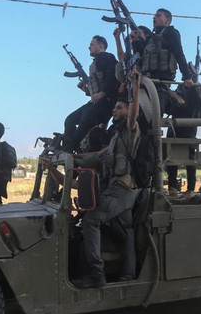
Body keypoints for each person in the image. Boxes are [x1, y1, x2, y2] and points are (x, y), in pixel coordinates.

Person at [46, 71, 142, 288]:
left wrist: (135, 88)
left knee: (91, 220)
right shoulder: (116, 138)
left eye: (119, 108)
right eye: (114, 107)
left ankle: (96, 274)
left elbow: (134, 114)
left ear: (128, 111)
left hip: (122, 189)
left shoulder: (130, 131)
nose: (114, 110)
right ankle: (128, 273)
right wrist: (68, 157)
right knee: (126, 230)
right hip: (118, 189)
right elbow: (96, 156)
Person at [62, 35, 119, 152]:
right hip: (96, 103)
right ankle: (71, 148)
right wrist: (86, 90)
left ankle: (69, 148)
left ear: (101, 46)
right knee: (70, 120)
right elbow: (96, 90)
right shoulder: (94, 64)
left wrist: (103, 93)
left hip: (107, 103)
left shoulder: (107, 58)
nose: (89, 47)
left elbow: (112, 78)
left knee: (86, 118)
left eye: (92, 44)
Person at [140, 8, 194, 116]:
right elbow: (143, 56)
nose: (154, 18)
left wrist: (187, 76)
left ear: (167, 20)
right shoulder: (150, 38)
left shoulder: (171, 33)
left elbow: (179, 53)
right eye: (154, 16)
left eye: (158, 16)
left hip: (162, 82)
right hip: (147, 80)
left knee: (155, 114)